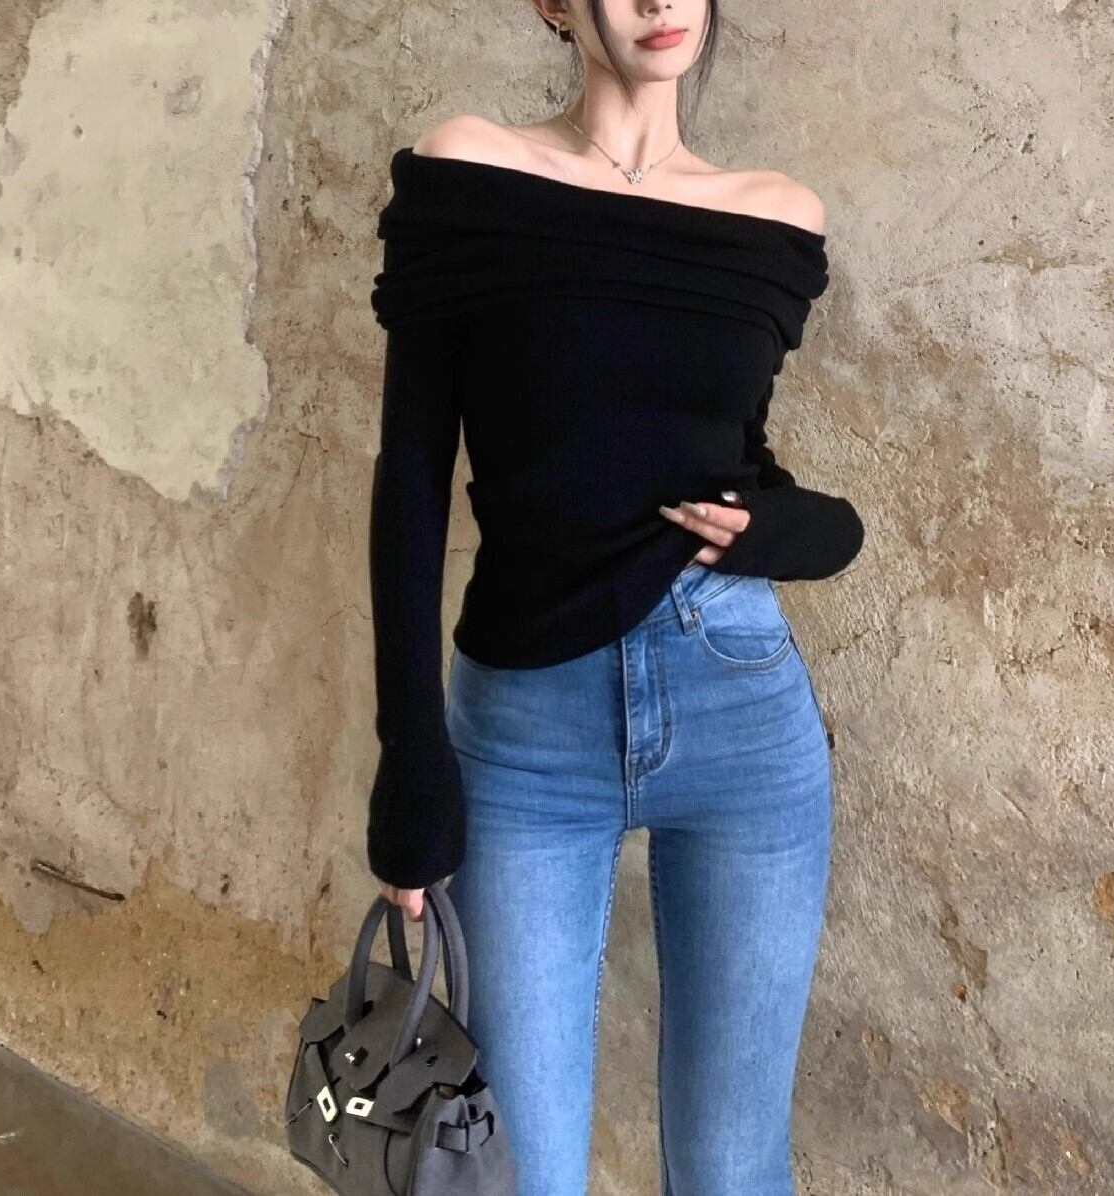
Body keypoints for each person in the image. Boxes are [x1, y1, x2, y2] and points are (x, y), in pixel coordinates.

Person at [364, 3, 864, 1192]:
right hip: (526, 729)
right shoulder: (471, 172)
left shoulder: (775, 216)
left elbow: (731, 458)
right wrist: (410, 758)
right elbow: (412, 473)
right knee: (519, 1170)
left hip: (739, 702)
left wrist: (807, 528)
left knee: (732, 1167)